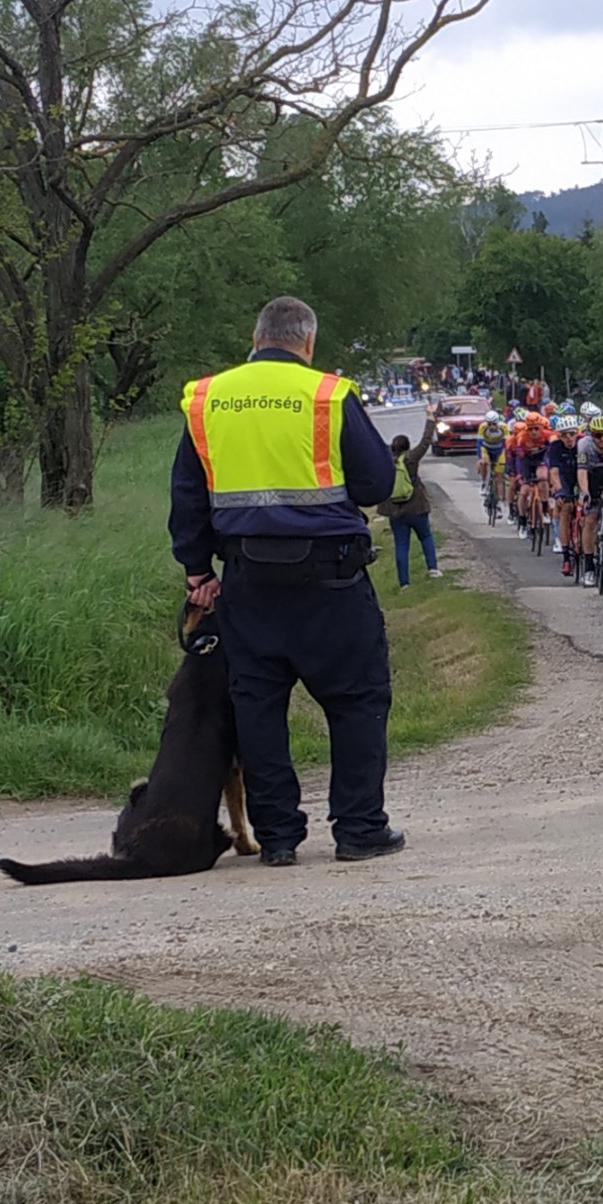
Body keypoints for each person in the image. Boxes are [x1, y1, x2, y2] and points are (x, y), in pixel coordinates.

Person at [170, 296, 405, 867]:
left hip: (248, 583)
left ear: (256, 337)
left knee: (257, 707)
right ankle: (358, 830)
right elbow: (375, 483)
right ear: (307, 342)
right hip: (331, 582)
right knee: (356, 702)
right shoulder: (328, 395)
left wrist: (197, 569)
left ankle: (277, 838)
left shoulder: (207, 399)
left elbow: (187, 493)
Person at [379, 433, 442, 588]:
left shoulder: (386, 461)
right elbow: (425, 442)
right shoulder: (411, 459)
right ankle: (433, 569)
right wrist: (430, 419)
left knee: (401, 545)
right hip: (416, 507)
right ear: (407, 446)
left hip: (395, 510)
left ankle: (404, 582)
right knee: (426, 536)